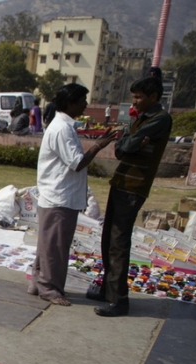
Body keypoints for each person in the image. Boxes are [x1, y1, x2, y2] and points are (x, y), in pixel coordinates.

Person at [29, 83, 117, 307]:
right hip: (59, 197)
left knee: (48, 245)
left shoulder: (64, 126)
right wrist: (98, 146)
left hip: (57, 195)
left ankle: (39, 284)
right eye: (82, 101)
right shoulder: (62, 129)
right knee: (55, 247)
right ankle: (50, 289)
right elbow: (77, 163)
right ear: (70, 103)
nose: (85, 105)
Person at [91, 76, 172, 317]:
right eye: (133, 97)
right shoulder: (139, 119)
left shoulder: (160, 119)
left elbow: (125, 146)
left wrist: (130, 142)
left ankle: (118, 300)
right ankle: (108, 288)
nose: (134, 102)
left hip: (134, 187)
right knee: (108, 238)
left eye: (139, 97)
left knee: (118, 242)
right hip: (120, 182)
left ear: (154, 97)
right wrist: (131, 142)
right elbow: (121, 149)